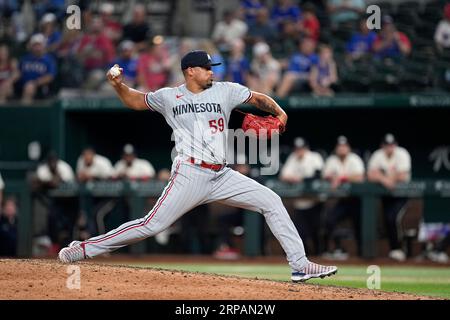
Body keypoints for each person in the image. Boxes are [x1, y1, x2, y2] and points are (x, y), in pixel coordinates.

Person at [58, 49, 338, 283]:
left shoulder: (225, 91)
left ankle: (299, 265)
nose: (212, 72)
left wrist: (278, 111)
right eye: (206, 68)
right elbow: (135, 100)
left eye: (211, 68)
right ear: (190, 70)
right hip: (190, 173)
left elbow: (258, 99)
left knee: (272, 201)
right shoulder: (169, 97)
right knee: (151, 225)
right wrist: (117, 85)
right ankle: (83, 249)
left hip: (222, 174)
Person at [367, 133, 412, 262]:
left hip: (401, 195)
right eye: (387, 145)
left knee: (394, 218)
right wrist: (386, 179)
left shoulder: (402, 153)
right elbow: (370, 175)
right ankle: (395, 250)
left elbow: (403, 176)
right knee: (387, 220)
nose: (389, 148)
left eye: (391, 145)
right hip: (386, 196)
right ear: (382, 146)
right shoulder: (378, 155)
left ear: (395, 145)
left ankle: (399, 249)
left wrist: (381, 176)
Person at [322, 136, 365, 260]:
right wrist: (332, 178)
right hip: (341, 200)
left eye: (344, 146)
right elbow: (325, 175)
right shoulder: (332, 160)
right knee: (330, 220)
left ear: (348, 148)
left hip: (356, 199)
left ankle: (362, 253)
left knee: (359, 225)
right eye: (339, 146)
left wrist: (341, 178)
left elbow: (360, 177)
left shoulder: (354, 159)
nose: (342, 148)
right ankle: (337, 249)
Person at [280, 137, 324, 255]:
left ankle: (319, 255)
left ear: (306, 148)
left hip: (315, 201)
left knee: (316, 230)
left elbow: (318, 175)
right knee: (300, 232)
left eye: (301, 148)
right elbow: (283, 176)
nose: (299, 151)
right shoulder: (293, 158)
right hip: (299, 203)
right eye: (297, 149)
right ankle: (306, 257)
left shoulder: (314, 157)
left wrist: (301, 179)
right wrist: (294, 178)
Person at [17, 33, 57, 104]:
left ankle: (24, 113)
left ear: (43, 46)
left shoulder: (49, 60)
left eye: (39, 45)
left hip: (40, 87)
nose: (37, 48)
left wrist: (34, 83)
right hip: (22, 86)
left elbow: (50, 77)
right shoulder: (25, 59)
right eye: (35, 45)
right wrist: (8, 82)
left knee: (29, 88)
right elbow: (18, 72)